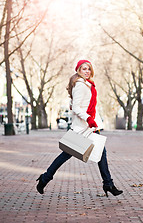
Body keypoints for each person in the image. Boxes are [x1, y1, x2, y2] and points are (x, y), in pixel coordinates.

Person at [36, 60, 123, 197]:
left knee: (101, 155)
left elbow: (74, 104)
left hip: (91, 127)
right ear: (78, 70)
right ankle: (45, 178)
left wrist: (92, 120)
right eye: (84, 69)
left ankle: (108, 184)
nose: (87, 71)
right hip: (84, 128)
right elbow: (76, 107)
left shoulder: (86, 85)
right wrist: (89, 119)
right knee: (66, 155)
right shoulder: (81, 85)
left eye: (89, 69)